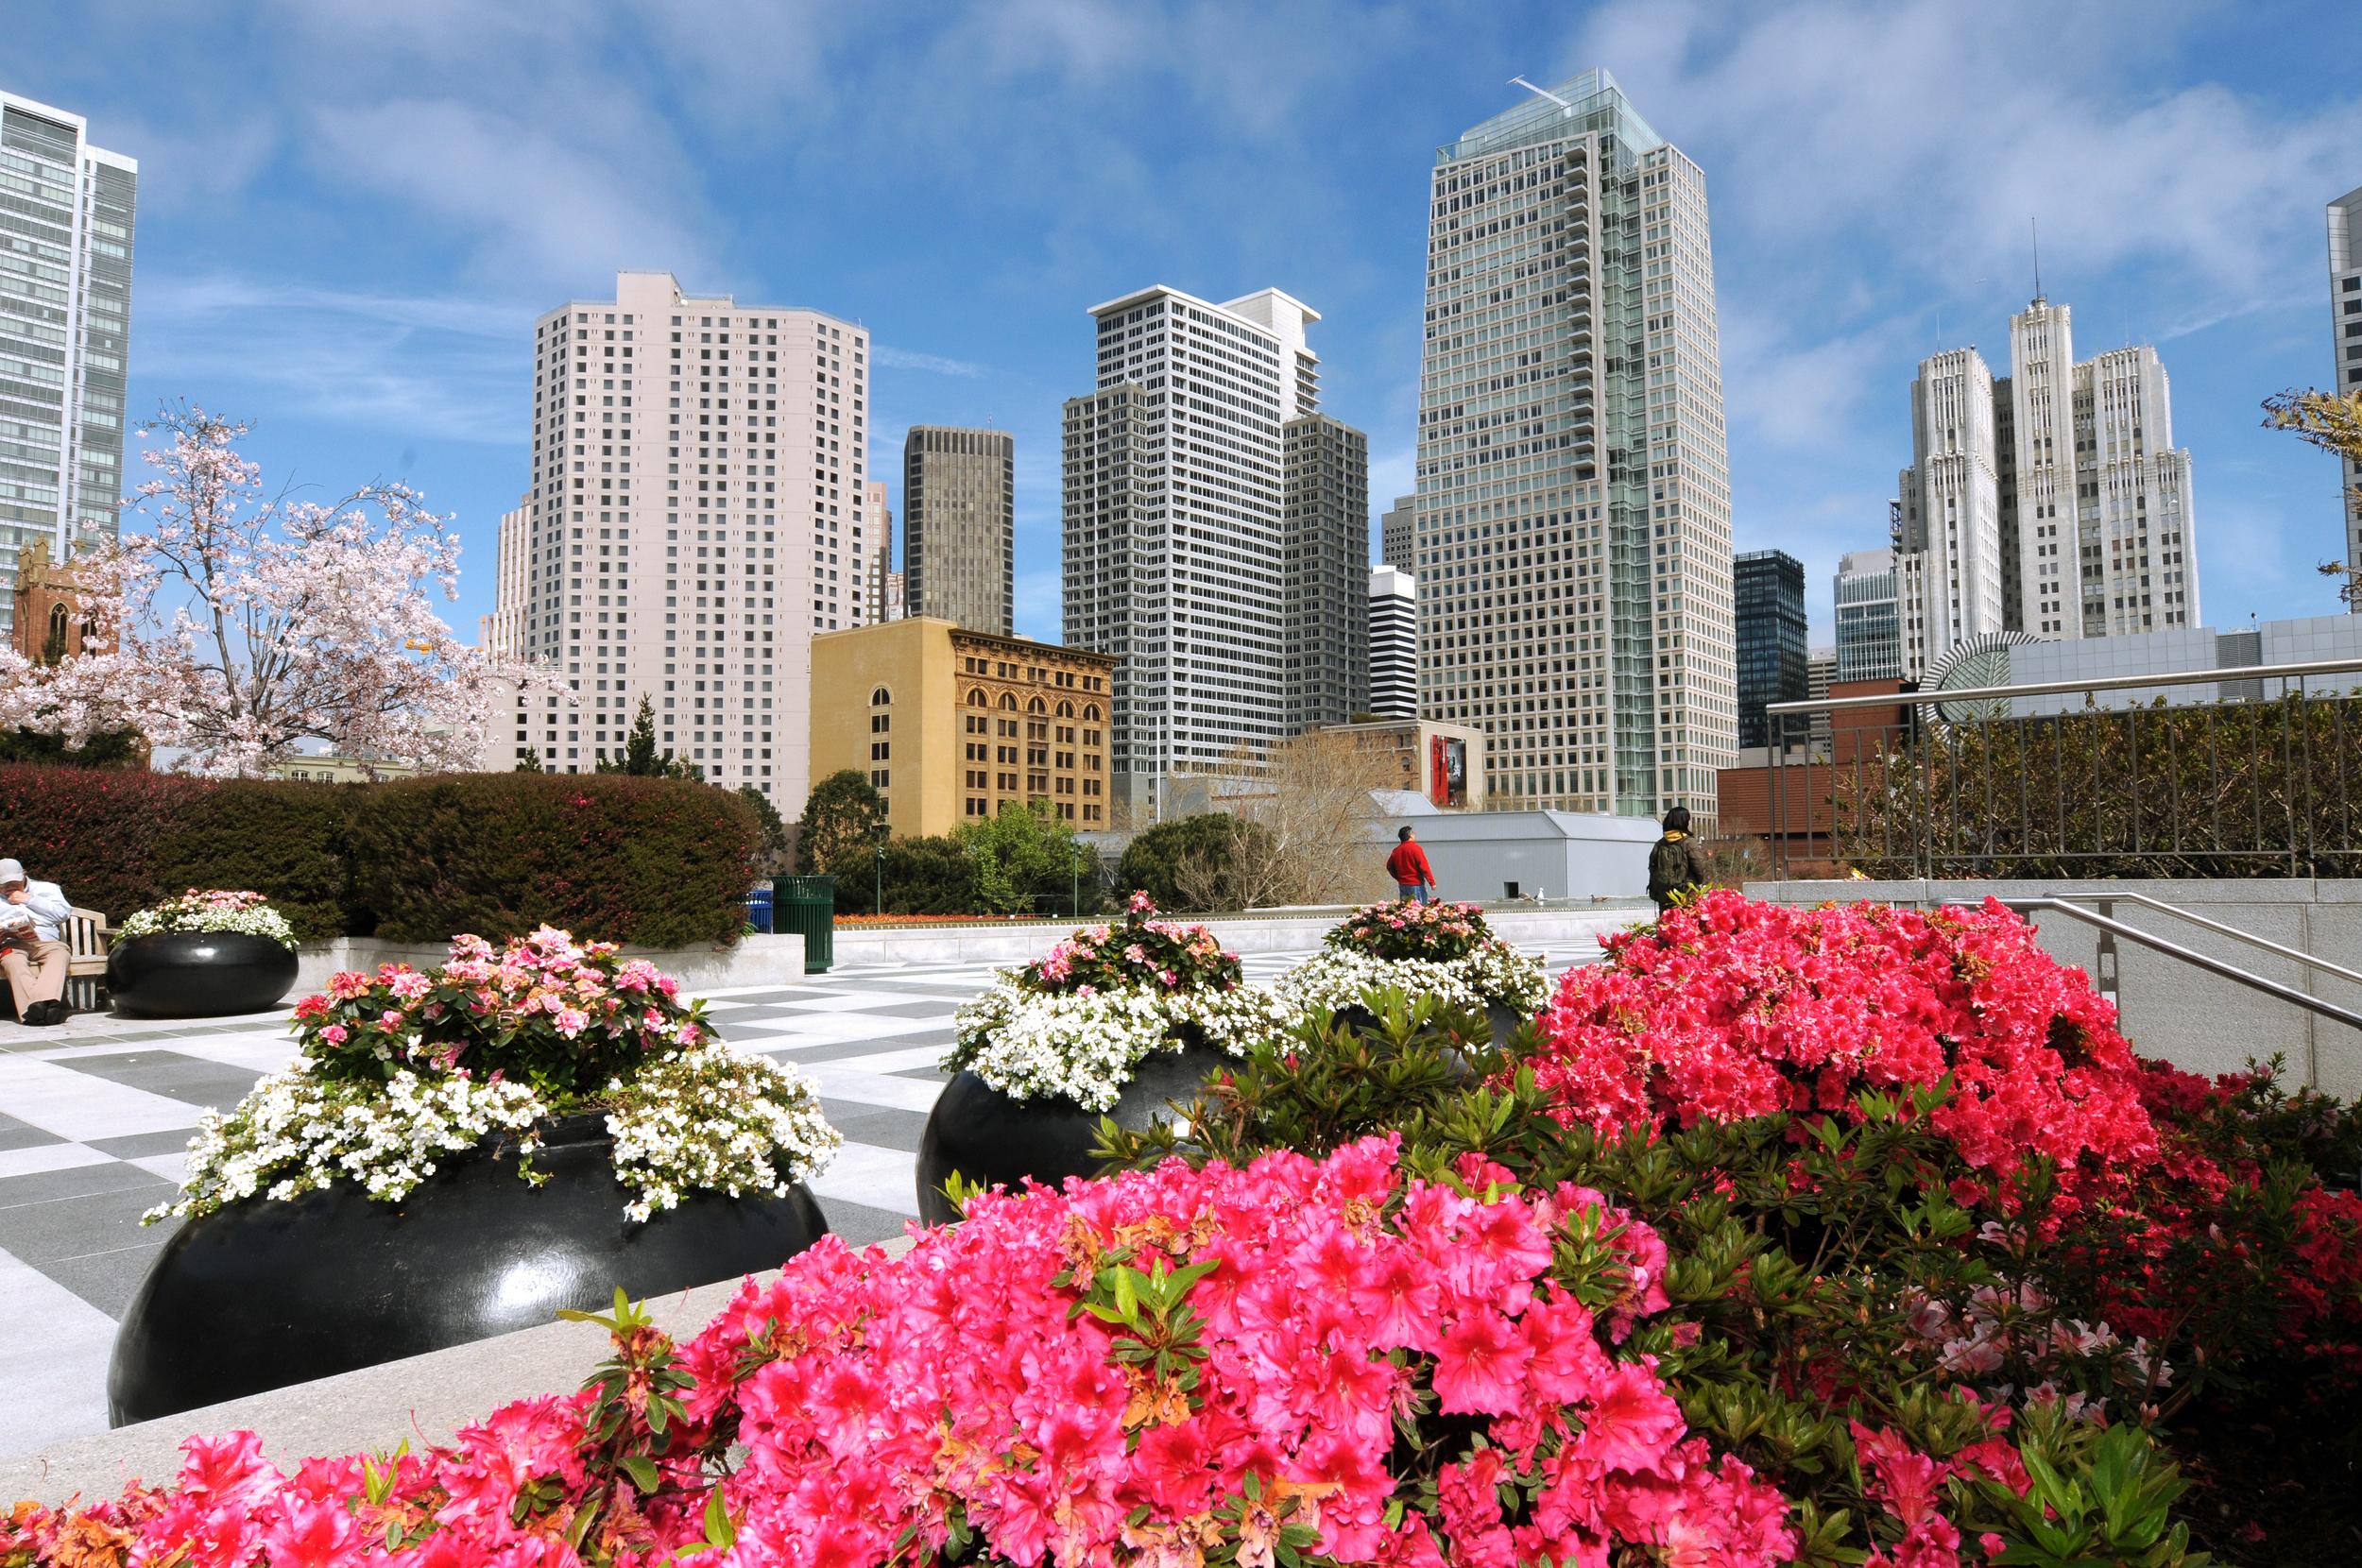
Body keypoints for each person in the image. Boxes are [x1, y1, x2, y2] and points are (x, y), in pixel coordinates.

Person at [0, 858, 73, 1027]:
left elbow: (62, 914)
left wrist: (30, 899)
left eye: (13, 882)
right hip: (11, 944)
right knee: (12, 960)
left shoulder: (47, 889)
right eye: (3, 884)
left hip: (45, 942)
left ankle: (32, 1011)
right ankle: (47, 1007)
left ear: (24, 875)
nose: (9, 887)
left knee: (60, 954)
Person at [1646, 807, 1714, 916]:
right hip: (1685, 893)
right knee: (1687, 926)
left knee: (1666, 924)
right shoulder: (1688, 842)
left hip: (1664, 894)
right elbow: (1699, 865)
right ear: (1683, 822)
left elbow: (1652, 866)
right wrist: (1698, 881)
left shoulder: (1661, 843)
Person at [1386, 825, 1436, 904]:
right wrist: (1432, 882)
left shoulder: (1396, 851)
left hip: (1403, 884)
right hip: (1416, 884)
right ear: (1411, 835)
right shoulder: (1416, 849)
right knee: (1419, 909)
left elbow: (1389, 866)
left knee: (1406, 909)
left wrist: (1399, 877)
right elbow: (1424, 866)